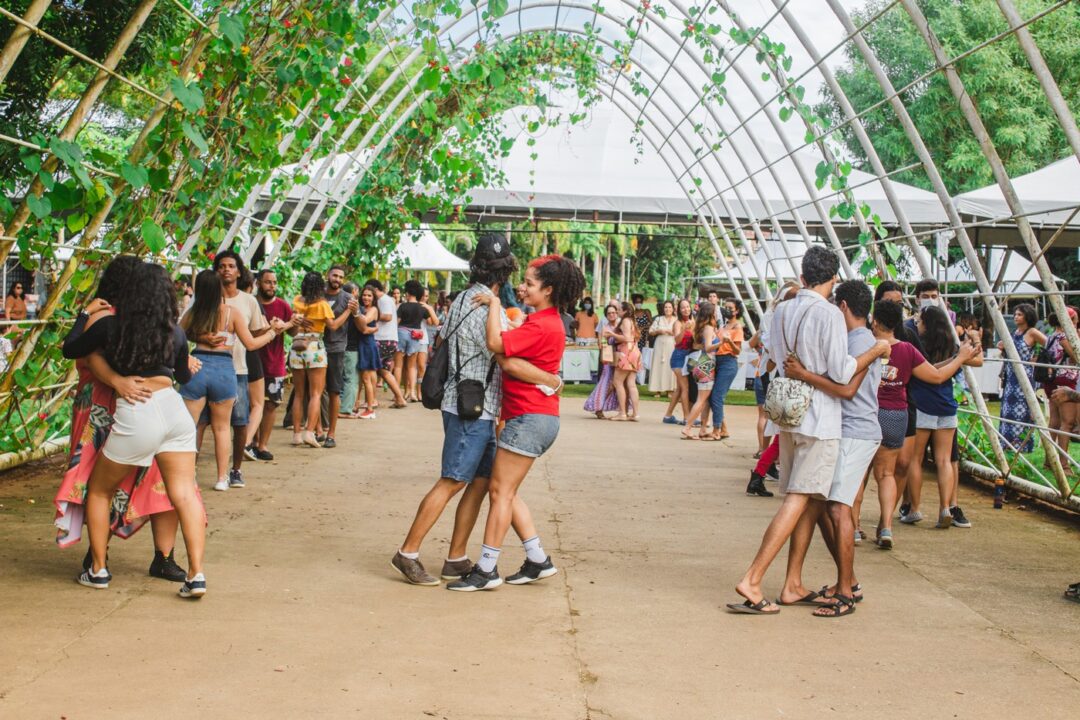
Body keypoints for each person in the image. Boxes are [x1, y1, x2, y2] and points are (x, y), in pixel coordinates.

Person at [728, 246, 889, 615]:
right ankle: (752, 579)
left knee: (811, 498)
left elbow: (777, 356)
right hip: (821, 417)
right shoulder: (830, 314)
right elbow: (843, 371)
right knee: (800, 498)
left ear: (802, 277)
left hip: (788, 412)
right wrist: (876, 350)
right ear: (832, 280)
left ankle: (793, 584)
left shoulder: (782, 309)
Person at [392, 235, 561, 586]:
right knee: (454, 479)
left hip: (480, 406)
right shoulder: (485, 304)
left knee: (481, 483)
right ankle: (407, 553)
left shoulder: (470, 298)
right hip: (470, 407)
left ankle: (456, 557)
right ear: (505, 270)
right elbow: (503, 351)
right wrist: (549, 377)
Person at [63, 262, 208, 599]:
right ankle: (196, 574)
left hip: (137, 413)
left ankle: (98, 569)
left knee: (100, 491)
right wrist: (188, 364)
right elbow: (184, 377)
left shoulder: (112, 326)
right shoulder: (175, 332)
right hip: (175, 412)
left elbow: (72, 349)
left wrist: (84, 315)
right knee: (184, 493)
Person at [448, 254, 586, 591]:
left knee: (500, 492)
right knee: (508, 491)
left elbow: (496, 345)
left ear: (549, 290)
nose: (521, 288)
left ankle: (486, 568)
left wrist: (495, 303)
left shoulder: (543, 323)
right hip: (533, 416)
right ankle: (537, 558)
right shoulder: (544, 321)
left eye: (529, 283)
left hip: (529, 417)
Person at [775, 280, 883, 617]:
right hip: (843, 428)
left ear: (845, 307)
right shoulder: (854, 340)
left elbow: (847, 389)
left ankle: (846, 592)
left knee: (838, 508)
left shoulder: (862, 342)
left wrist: (803, 374)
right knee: (820, 506)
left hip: (855, 430)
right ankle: (843, 581)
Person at [860, 300, 977, 547]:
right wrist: (961, 358)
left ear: (876, 321)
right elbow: (936, 376)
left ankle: (854, 528)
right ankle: (887, 527)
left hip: (867, 413)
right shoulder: (907, 350)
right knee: (887, 473)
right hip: (897, 415)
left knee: (860, 475)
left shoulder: (864, 346)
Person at [180, 269, 284, 491]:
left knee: (192, 427)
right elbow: (251, 344)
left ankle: (188, 475)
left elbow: (178, 336)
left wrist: (200, 337)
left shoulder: (194, 313)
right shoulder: (231, 313)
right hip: (224, 368)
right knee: (221, 428)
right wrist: (273, 332)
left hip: (197, 366)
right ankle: (221, 478)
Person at [904, 305, 983, 529]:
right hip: (947, 407)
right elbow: (976, 359)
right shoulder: (953, 347)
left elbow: (929, 372)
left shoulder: (916, 346)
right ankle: (945, 507)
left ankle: (915, 509)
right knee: (944, 460)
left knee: (915, 459)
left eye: (920, 322)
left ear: (927, 325)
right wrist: (971, 344)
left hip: (922, 406)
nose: (917, 325)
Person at [199, 251, 270, 490]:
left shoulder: (248, 301)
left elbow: (257, 332)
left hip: (239, 366)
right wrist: (204, 338)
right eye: (222, 266)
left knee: (240, 422)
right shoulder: (206, 298)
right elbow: (186, 327)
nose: (226, 270)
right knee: (201, 422)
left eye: (231, 266)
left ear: (239, 272)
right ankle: (192, 470)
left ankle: (235, 469)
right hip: (208, 365)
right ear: (216, 271)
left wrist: (267, 333)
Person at [252, 268, 299, 460]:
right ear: (258, 283)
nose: (272, 286)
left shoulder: (282, 305)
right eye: (267, 282)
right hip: (253, 362)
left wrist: (293, 322)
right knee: (251, 405)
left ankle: (262, 445)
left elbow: (293, 333)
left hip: (274, 363)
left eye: (274, 282)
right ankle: (251, 443)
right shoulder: (252, 303)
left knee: (271, 405)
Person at [290, 272, 335, 448]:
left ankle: (296, 434)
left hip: (296, 347)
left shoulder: (297, 301)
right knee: (316, 393)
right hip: (315, 346)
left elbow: (293, 322)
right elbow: (333, 326)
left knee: (299, 393)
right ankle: (309, 432)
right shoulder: (322, 305)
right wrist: (349, 311)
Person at [321, 266, 360, 449]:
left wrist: (356, 311)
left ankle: (331, 433)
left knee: (334, 390)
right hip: (315, 347)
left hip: (336, 349)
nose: (337, 279)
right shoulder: (318, 294)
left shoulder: (348, 299)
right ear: (328, 275)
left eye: (340, 277)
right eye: (334, 275)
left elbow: (361, 324)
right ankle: (318, 429)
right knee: (316, 391)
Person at [998, 303, 1045, 454]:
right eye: (1015, 314)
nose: (1015, 317)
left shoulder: (1032, 332)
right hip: (1011, 377)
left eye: (1019, 314)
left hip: (1024, 377)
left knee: (1023, 410)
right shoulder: (1014, 332)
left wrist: (1038, 360)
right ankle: (1006, 442)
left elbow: (1049, 344)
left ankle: (1021, 444)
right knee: (1008, 410)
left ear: (1027, 316)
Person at [236, 269, 266, 463]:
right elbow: (260, 330)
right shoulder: (250, 301)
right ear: (252, 284)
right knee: (257, 403)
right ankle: (245, 442)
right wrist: (279, 327)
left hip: (226, 357)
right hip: (250, 354)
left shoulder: (220, 301)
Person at [366, 278, 408, 408]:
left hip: (382, 339)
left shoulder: (383, 300)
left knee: (372, 369)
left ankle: (372, 400)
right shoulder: (388, 300)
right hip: (389, 339)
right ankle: (399, 398)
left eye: (370, 292)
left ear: (376, 289)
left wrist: (371, 315)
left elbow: (388, 316)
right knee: (383, 371)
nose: (368, 295)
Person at [1045, 309, 1079, 467]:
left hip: (1052, 380)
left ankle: (1049, 460)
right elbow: (1077, 357)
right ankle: (1063, 463)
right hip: (1066, 380)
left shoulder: (1051, 336)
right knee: (1068, 422)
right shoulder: (1065, 337)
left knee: (1054, 421)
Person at [681, 302, 719, 439]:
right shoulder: (708, 328)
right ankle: (688, 427)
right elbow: (708, 347)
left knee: (706, 400)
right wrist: (722, 343)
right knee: (701, 400)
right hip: (706, 365)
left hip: (702, 364)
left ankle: (703, 429)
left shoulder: (702, 327)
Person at [708, 298, 744, 441]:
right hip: (717, 360)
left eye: (730, 307)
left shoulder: (737, 328)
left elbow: (737, 351)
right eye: (726, 307)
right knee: (713, 397)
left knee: (717, 396)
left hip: (728, 362)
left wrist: (729, 342)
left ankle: (716, 430)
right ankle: (723, 429)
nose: (727, 310)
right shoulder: (724, 326)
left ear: (737, 311)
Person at [396, 280, 438, 403]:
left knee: (399, 366)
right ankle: (413, 393)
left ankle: (397, 393)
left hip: (402, 333)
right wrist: (429, 309)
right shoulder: (422, 308)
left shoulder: (402, 306)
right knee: (412, 367)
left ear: (408, 293)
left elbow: (396, 323)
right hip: (416, 335)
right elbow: (435, 323)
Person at [583, 303, 623, 419]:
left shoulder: (621, 325)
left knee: (617, 384)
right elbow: (601, 344)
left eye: (613, 313)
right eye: (609, 313)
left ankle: (622, 410)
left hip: (620, 357)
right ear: (606, 315)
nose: (612, 315)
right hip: (609, 359)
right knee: (606, 383)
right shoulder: (605, 328)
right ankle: (598, 407)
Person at [662, 299, 695, 425]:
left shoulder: (693, 321)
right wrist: (684, 329)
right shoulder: (678, 323)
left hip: (689, 356)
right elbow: (677, 340)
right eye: (683, 307)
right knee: (685, 387)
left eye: (687, 307)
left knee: (680, 389)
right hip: (679, 357)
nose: (686, 309)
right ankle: (687, 417)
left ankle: (668, 415)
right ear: (679, 310)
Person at [609, 302, 642, 422]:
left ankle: (622, 412)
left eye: (618, 310)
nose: (617, 312)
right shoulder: (633, 321)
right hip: (634, 352)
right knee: (631, 384)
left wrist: (612, 334)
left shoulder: (625, 321)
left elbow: (627, 338)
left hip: (626, 352)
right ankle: (635, 413)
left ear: (624, 311)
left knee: (618, 382)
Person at [353, 285, 381, 419]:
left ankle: (370, 409)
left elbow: (364, 323)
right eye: (364, 295)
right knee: (364, 378)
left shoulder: (373, 309)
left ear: (374, 298)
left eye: (369, 295)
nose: (366, 297)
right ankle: (358, 405)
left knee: (366, 379)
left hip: (367, 344)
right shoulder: (362, 308)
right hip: (362, 343)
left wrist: (356, 313)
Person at [340, 282, 363, 420]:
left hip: (339, 347)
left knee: (342, 379)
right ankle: (345, 409)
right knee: (351, 379)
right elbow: (364, 327)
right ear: (354, 291)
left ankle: (341, 407)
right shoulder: (354, 308)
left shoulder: (339, 305)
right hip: (350, 348)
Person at [648, 300, 677, 395]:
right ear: (663, 309)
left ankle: (670, 389)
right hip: (659, 343)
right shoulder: (658, 319)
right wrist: (658, 331)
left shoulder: (676, 319)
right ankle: (658, 389)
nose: (667, 309)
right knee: (658, 365)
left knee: (670, 366)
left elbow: (680, 332)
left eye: (669, 307)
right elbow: (650, 331)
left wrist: (671, 332)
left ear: (673, 309)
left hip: (671, 344)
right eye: (666, 307)